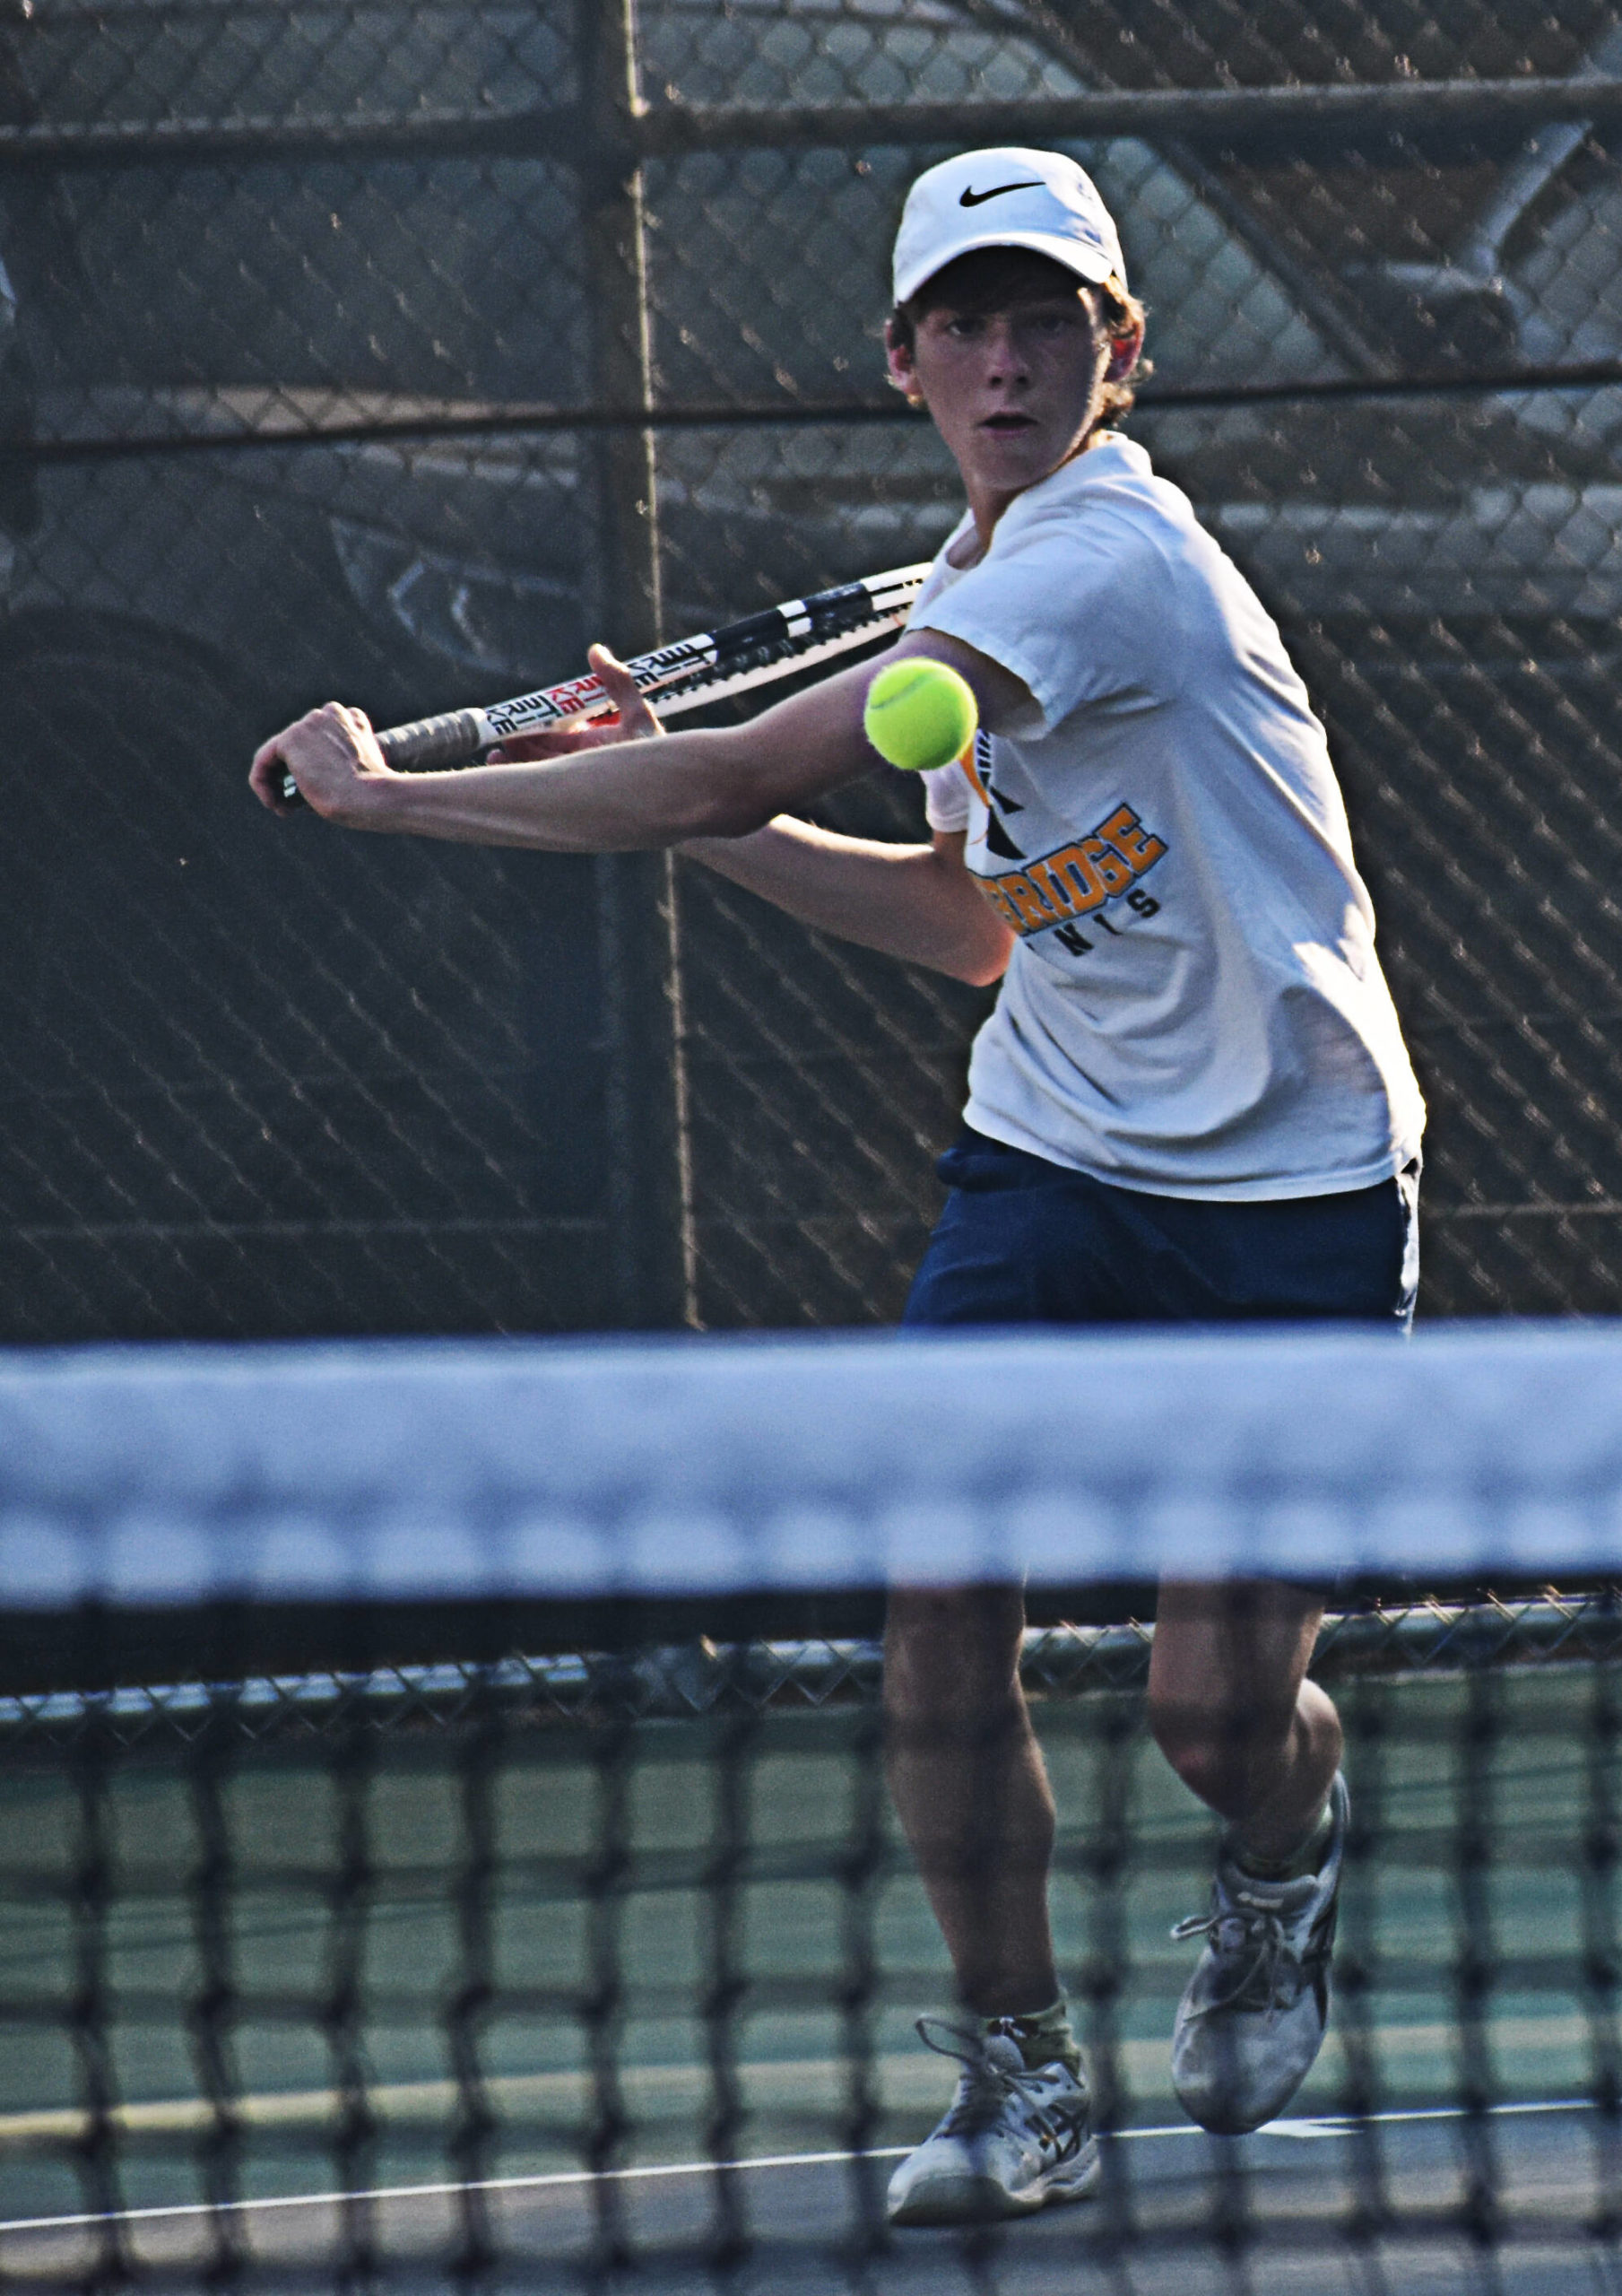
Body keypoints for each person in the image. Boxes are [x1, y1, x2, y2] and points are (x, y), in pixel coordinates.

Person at [251, 147, 1425, 2227]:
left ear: (1115, 353)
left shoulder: (1098, 567)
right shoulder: (963, 584)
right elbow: (979, 928)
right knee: (932, 1604)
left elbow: (726, 763)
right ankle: (1017, 2071)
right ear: (900, 361)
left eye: (1042, 317)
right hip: (1050, 1155)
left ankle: (1278, 1851)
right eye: (962, 322)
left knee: (1210, 1713)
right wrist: (691, 823)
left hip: (1288, 1183)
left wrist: (404, 793)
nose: (1002, 356)